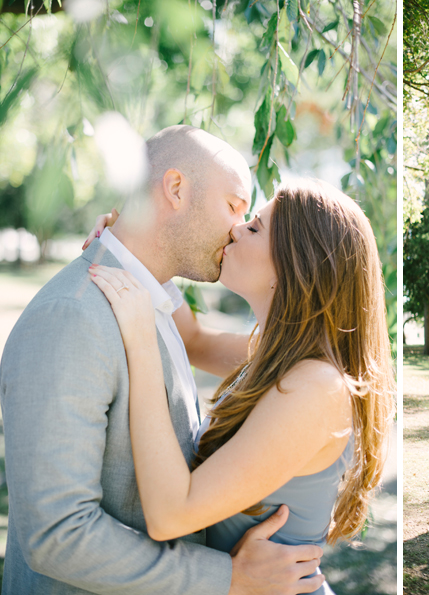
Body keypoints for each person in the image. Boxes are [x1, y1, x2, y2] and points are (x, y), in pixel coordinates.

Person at [0, 126, 326, 595]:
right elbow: (56, 536)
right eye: (234, 205)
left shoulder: (150, 305)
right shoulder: (71, 318)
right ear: (176, 189)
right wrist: (228, 578)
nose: (238, 227)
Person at [88, 177, 394, 594]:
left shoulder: (316, 388)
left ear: (294, 264)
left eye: (253, 228)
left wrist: (140, 343)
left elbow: (170, 514)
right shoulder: (277, 357)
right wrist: (127, 246)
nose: (234, 229)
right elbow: (194, 340)